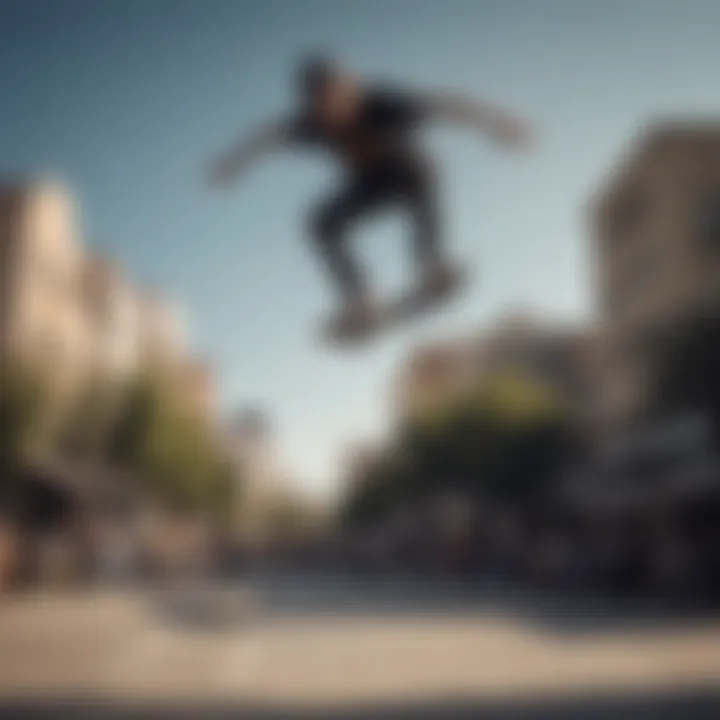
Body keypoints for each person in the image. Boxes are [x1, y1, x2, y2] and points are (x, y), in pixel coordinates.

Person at [207, 55, 533, 327]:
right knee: (320, 223)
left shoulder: (385, 103)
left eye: (339, 100)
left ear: (350, 90)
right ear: (314, 105)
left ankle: (431, 265)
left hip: (410, 174)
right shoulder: (311, 125)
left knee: (420, 171)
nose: (334, 114)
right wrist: (233, 164)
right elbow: (270, 136)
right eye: (324, 107)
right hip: (371, 185)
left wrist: (499, 124)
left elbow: (447, 105)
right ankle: (360, 298)